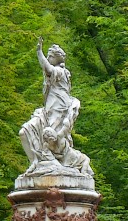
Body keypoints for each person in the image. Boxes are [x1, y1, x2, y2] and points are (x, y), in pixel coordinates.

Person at [19, 37, 92, 177]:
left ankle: (56, 163)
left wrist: (39, 52)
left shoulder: (60, 71)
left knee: (53, 141)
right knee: (24, 132)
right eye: (47, 55)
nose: (47, 57)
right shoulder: (55, 74)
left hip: (58, 109)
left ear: (56, 59)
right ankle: (35, 162)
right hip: (47, 111)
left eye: (50, 56)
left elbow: (47, 68)